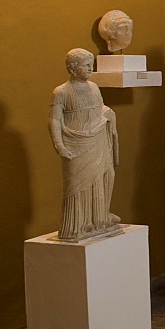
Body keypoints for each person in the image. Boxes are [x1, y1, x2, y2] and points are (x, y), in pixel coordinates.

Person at [49, 48, 120, 241]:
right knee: (77, 185)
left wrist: (107, 112)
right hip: (76, 141)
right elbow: (54, 120)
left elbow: (99, 108)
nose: (91, 68)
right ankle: (76, 225)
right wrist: (60, 145)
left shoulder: (94, 87)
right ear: (73, 69)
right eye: (86, 65)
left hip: (97, 137)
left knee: (105, 175)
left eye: (91, 64)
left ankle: (99, 218)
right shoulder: (61, 92)